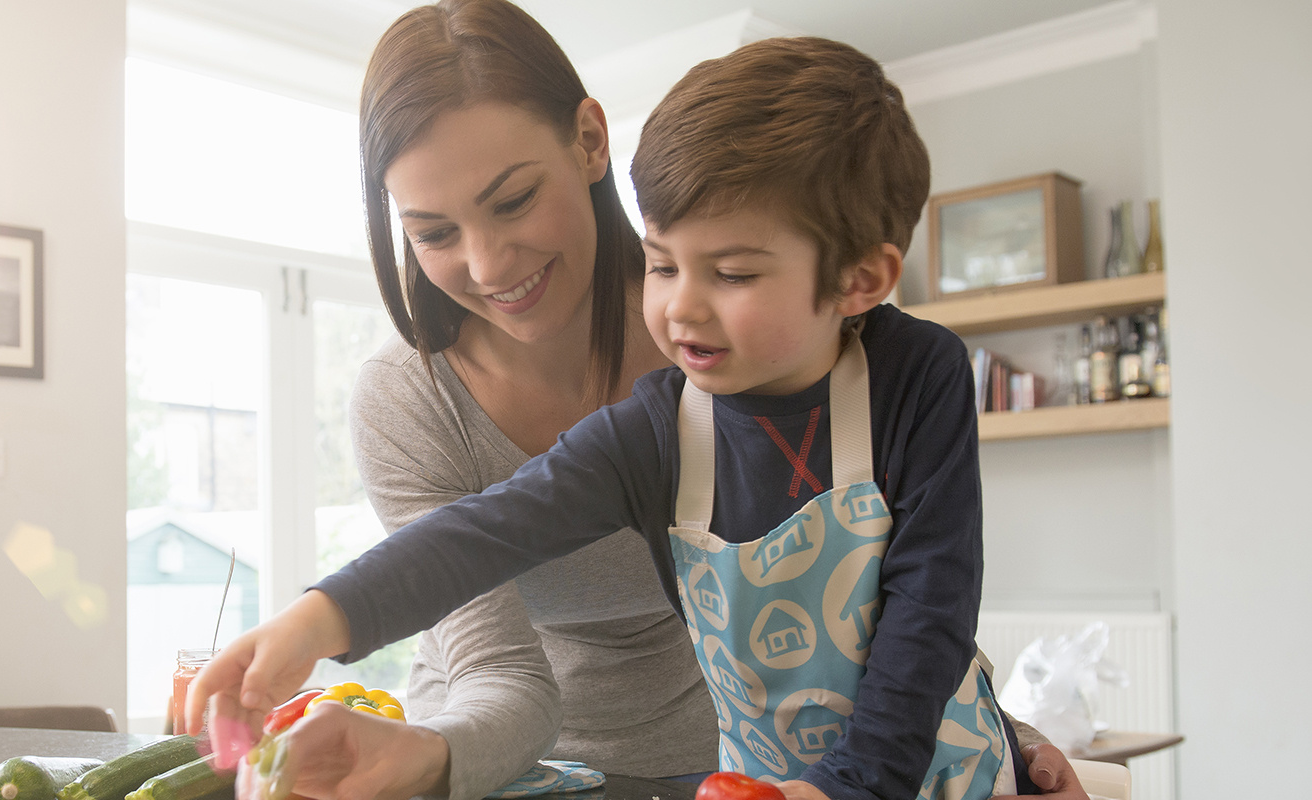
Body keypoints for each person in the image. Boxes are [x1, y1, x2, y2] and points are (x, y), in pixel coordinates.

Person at [195, 33, 1092, 800]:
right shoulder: (659, 426)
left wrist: (867, 782)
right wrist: (311, 623)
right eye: (662, 264)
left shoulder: (917, 373)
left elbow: (927, 612)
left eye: (731, 274)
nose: (682, 312)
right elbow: (484, 534)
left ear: (860, 278)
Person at [329, 1, 716, 799]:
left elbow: (858, 579)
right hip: (492, 760)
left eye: (511, 202)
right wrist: (426, 760)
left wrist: (992, 730)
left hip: (717, 751)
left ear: (590, 141)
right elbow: (502, 673)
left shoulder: (712, 329)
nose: (489, 264)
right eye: (434, 233)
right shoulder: (408, 399)